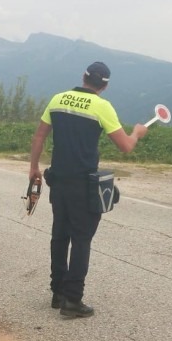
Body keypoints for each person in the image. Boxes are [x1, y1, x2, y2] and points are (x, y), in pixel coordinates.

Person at [28, 61, 148, 318]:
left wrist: (34, 167)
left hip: (58, 181)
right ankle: (73, 300)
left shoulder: (58, 99)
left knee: (59, 236)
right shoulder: (102, 106)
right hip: (83, 185)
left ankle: (58, 292)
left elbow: (39, 136)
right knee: (81, 241)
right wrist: (137, 133)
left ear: (83, 77)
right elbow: (125, 146)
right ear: (105, 86)